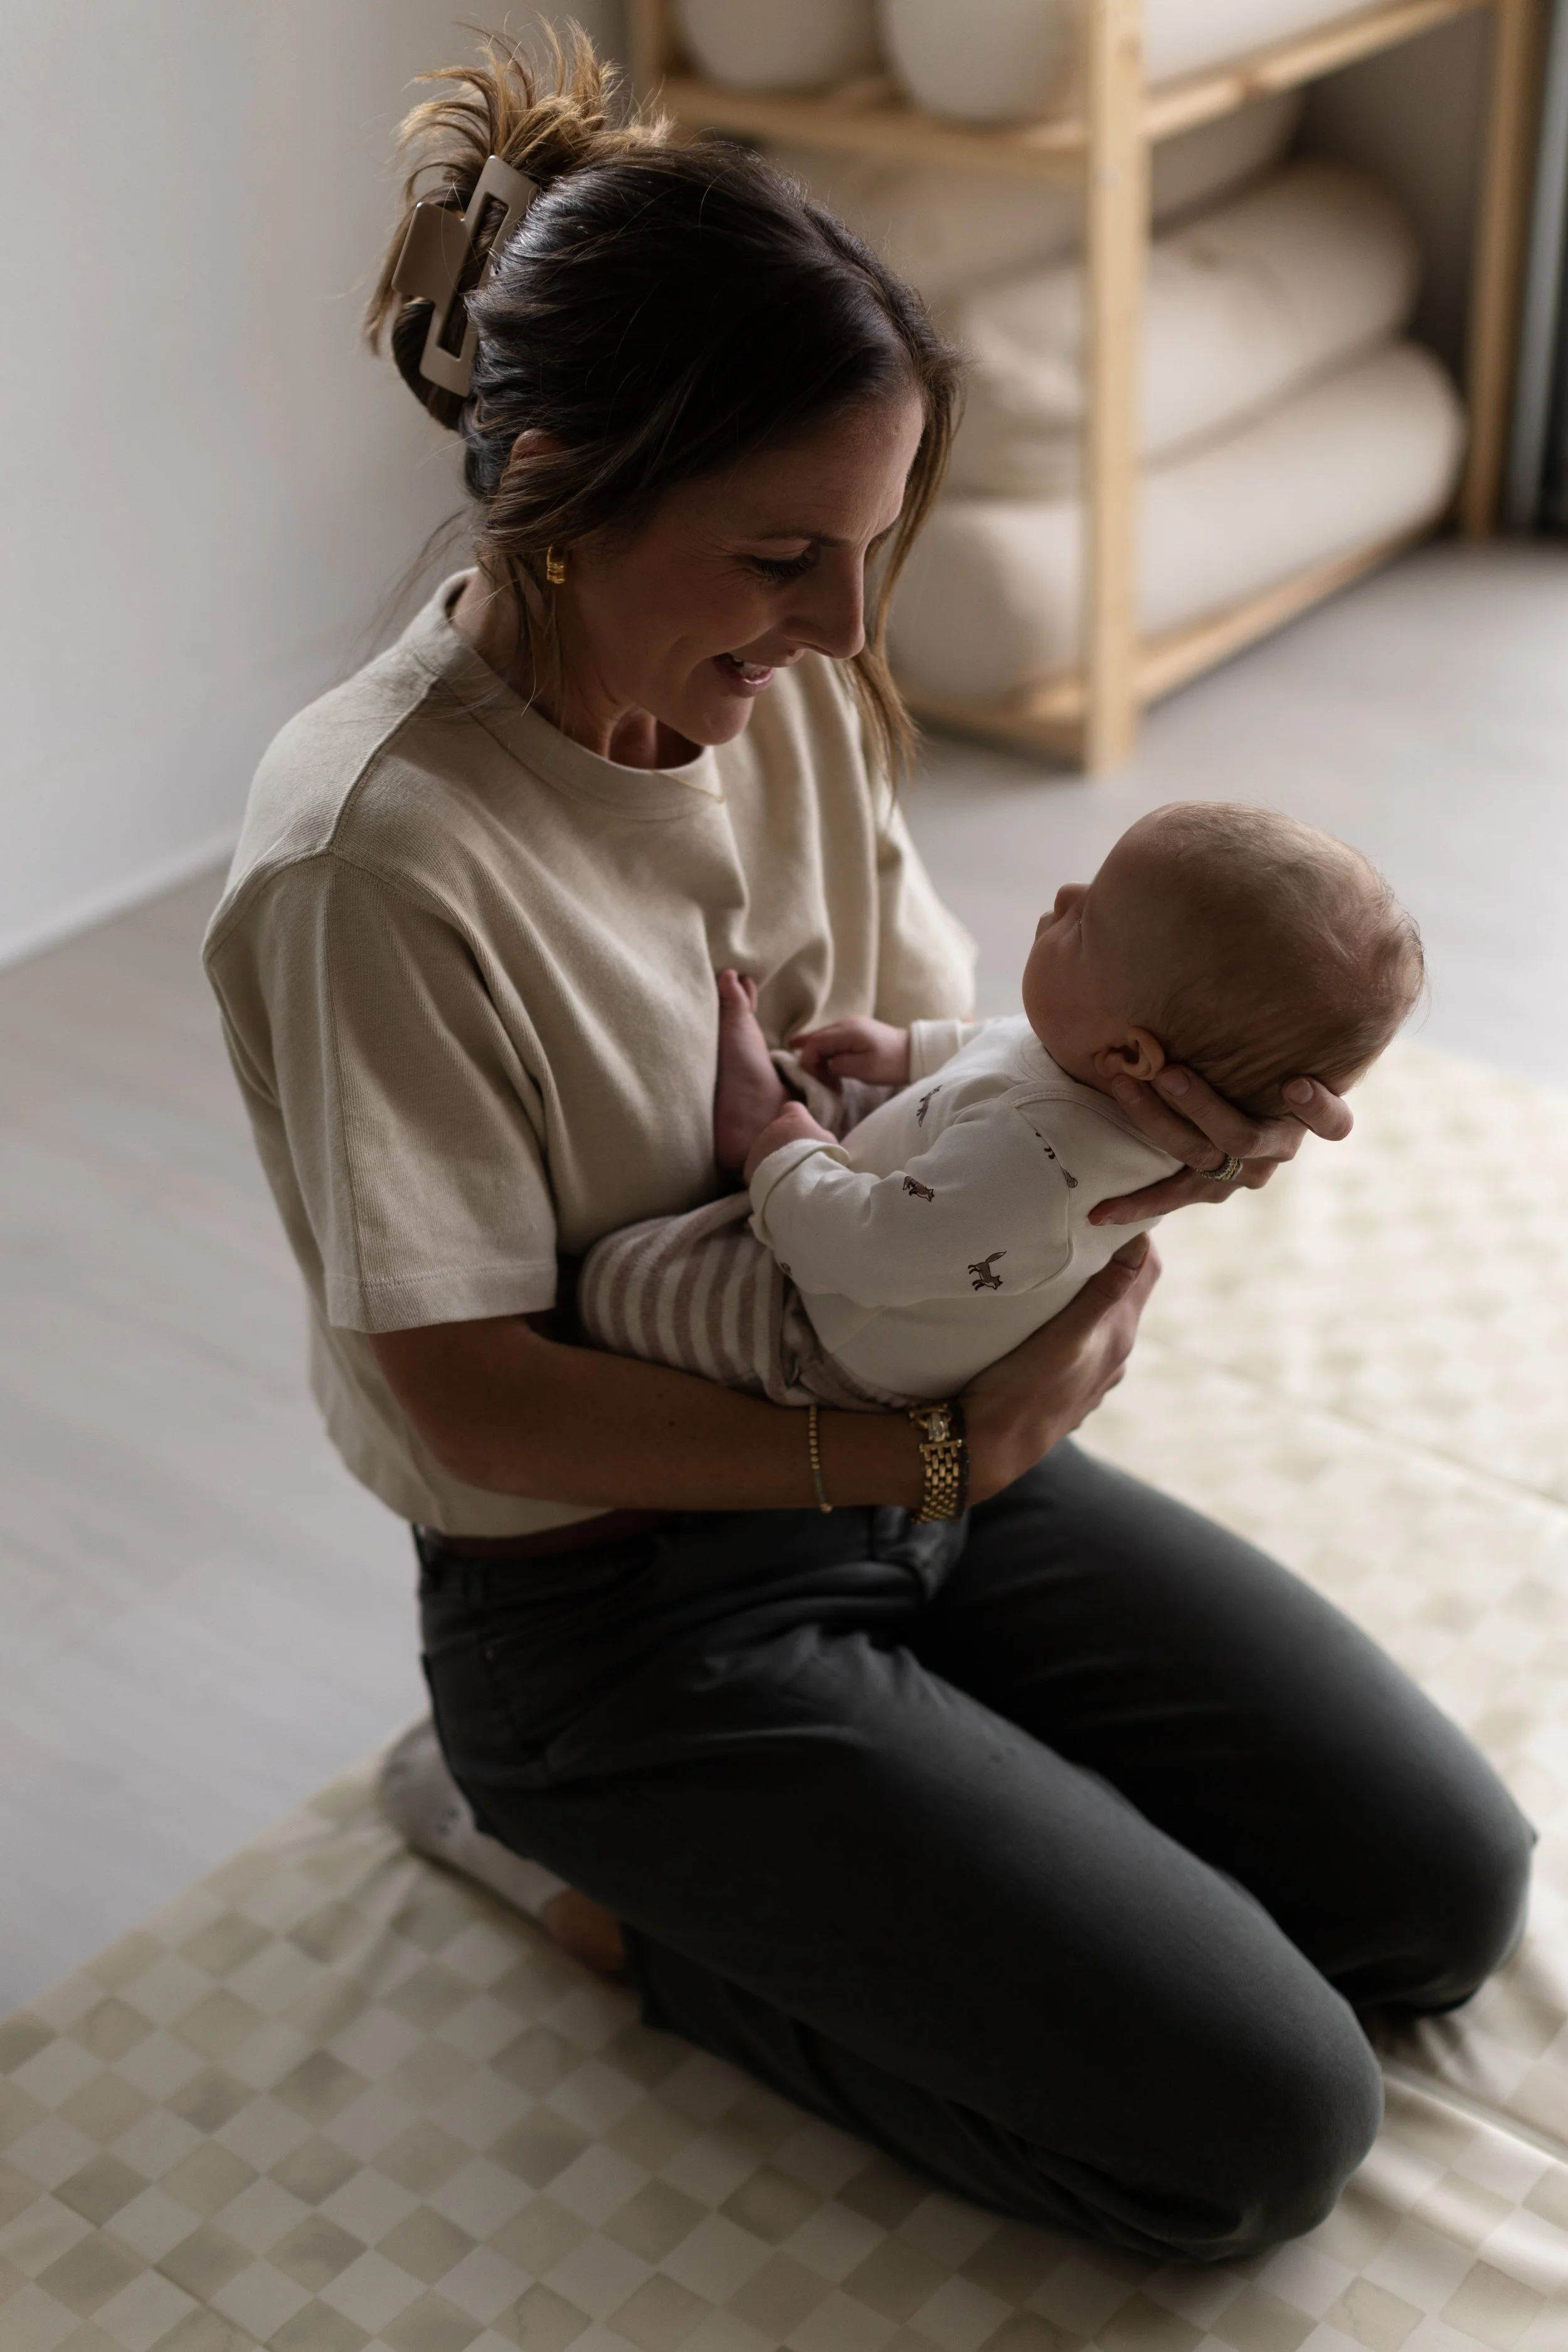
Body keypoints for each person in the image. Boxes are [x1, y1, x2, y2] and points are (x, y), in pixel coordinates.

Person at [203, 32, 1532, 2266]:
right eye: (783, 556)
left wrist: (1139, 1131)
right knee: (1255, 2137)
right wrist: (931, 1466)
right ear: (549, 478)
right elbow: (472, 1392)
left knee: (1441, 1902)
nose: (840, 628)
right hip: (618, 1616)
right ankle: (580, 1879)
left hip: (910, 1451)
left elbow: (950, 1078)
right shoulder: (375, 862)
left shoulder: (786, 696)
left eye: (875, 544)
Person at [580, 802, 1426, 1413]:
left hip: (836, 1331)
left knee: (625, 1282)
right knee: (855, 1102)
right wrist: (907, 1050)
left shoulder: (1037, 1170)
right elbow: (1006, 1048)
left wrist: (780, 1159)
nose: (1061, 895)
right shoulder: (1098, 1063)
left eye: (1086, 920)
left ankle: (760, 1145)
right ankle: (792, 1136)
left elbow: (867, 1252)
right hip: (923, 1203)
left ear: (1133, 1055)